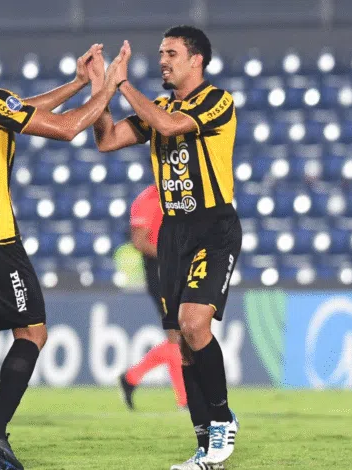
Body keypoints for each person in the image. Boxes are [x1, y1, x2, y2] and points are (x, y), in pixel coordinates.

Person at [0, 23, 127, 470]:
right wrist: (107, 87)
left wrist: (76, 84)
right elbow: (68, 128)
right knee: (32, 332)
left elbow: (17, 110)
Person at [90, 26, 241, 469]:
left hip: (212, 227)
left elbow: (171, 126)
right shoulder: (158, 106)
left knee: (195, 325)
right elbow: (107, 139)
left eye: (171, 53)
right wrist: (101, 88)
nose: (162, 60)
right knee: (183, 344)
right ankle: (205, 446)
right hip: (173, 233)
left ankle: (223, 419)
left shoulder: (217, 101)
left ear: (197, 59)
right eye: (160, 53)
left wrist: (123, 85)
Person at [118, 185, 187, 411]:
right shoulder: (148, 199)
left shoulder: (182, 194)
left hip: (178, 270)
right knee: (177, 334)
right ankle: (184, 400)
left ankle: (131, 377)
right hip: (160, 271)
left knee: (182, 335)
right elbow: (139, 241)